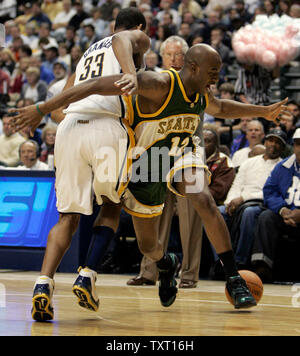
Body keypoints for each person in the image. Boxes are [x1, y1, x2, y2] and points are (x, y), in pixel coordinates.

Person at [11, 44, 288, 314]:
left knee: (202, 198)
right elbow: (95, 84)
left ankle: (234, 277)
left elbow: (220, 108)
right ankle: (166, 263)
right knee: (148, 246)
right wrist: (42, 109)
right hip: (147, 165)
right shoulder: (156, 84)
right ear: (193, 67)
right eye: (213, 70)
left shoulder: (203, 90)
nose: (217, 75)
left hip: (183, 155)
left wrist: (262, 112)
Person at [11, 7, 150, 322]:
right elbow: (125, 39)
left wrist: (53, 114)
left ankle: (43, 284)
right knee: (112, 205)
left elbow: (66, 100)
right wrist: (130, 72)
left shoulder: (88, 52)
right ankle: (87, 275)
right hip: (106, 126)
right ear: (141, 26)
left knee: (67, 218)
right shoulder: (132, 37)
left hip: (70, 128)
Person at [216, 128, 286, 272]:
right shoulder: (249, 162)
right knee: (217, 213)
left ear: (283, 148)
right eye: (271, 140)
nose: (273, 144)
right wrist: (230, 202)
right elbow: (237, 184)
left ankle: (240, 261)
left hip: (261, 203)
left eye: (278, 142)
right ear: (265, 142)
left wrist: (242, 199)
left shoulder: (282, 166)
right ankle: (221, 260)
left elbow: (270, 193)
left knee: (249, 212)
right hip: (238, 201)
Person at [251, 128, 300, 282]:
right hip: (286, 216)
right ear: (293, 146)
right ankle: (263, 267)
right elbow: (270, 191)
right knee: (266, 217)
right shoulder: (282, 166)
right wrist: (283, 210)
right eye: (298, 144)